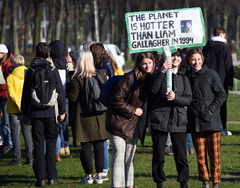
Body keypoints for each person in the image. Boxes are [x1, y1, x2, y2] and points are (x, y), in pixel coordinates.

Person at [106, 52, 155, 188]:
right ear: (139, 63)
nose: (147, 66)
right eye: (144, 63)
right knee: (119, 154)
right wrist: (134, 110)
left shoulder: (149, 79)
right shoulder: (128, 78)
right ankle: (117, 185)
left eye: (150, 63)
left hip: (134, 124)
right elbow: (116, 101)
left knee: (129, 157)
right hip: (118, 122)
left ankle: (129, 185)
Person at [21, 42, 66, 187]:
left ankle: (40, 179)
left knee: (39, 146)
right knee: (51, 145)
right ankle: (52, 177)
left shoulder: (30, 71)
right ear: (48, 53)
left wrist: (24, 112)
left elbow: (26, 94)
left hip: (35, 113)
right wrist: (63, 111)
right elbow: (60, 91)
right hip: (51, 112)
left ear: (35, 53)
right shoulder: (53, 70)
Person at [149, 50, 192, 188]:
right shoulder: (157, 73)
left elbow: (188, 99)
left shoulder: (183, 77)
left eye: (178, 56)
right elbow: (152, 91)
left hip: (178, 121)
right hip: (159, 120)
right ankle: (159, 182)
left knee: (181, 156)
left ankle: (184, 182)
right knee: (159, 155)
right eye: (172, 55)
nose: (175, 58)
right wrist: (162, 72)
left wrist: (176, 98)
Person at [186, 47, 227, 188]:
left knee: (214, 156)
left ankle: (215, 182)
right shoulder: (186, 77)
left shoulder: (211, 74)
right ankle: (205, 182)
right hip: (195, 121)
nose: (196, 62)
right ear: (188, 61)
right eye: (193, 60)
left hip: (212, 121)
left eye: (198, 59)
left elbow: (222, 95)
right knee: (200, 157)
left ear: (202, 60)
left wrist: (211, 109)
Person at [66, 50, 109, 185]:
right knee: (100, 146)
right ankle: (99, 176)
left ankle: (88, 176)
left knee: (86, 146)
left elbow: (73, 97)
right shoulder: (101, 74)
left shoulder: (77, 77)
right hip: (100, 116)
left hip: (83, 116)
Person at [202, 26, 234, 136]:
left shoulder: (206, 47)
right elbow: (228, 65)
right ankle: (223, 128)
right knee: (222, 104)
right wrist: (230, 82)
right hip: (222, 81)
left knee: (209, 103)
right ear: (221, 35)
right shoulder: (224, 48)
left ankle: (208, 126)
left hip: (207, 80)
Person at [3, 55, 32, 166]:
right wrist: (24, 106)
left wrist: (19, 105)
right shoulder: (28, 75)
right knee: (26, 133)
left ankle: (17, 158)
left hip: (14, 108)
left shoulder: (10, 78)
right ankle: (29, 157)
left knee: (15, 134)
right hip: (26, 108)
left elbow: (12, 94)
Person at [49, 40, 70, 158]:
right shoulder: (65, 61)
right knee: (64, 121)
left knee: (58, 121)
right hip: (66, 94)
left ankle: (60, 147)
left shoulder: (52, 63)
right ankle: (66, 146)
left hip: (56, 94)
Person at [0, 44, 13, 154]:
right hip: (2, 94)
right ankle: (5, 143)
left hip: (5, 95)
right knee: (3, 121)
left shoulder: (8, 63)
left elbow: (8, 82)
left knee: (6, 122)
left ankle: (9, 144)